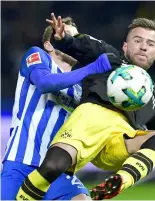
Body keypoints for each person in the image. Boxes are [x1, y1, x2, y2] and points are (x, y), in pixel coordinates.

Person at [17, 14, 155, 201]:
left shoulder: (154, 99)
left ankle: (120, 181)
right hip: (89, 121)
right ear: (125, 46)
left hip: (117, 140)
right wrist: (63, 37)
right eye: (137, 40)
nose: (143, 46)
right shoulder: (109, 58)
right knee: (53, 167)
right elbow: (80, 44)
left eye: (150, 44)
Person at [1, 16, 113, 200]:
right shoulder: (37, 56)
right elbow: (45, 83)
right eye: (65, 37)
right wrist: (93, 67)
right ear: (49, 45)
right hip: (20, 163)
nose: (72, 43)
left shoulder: (81, 89)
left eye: (75, 40)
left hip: (57, 170)